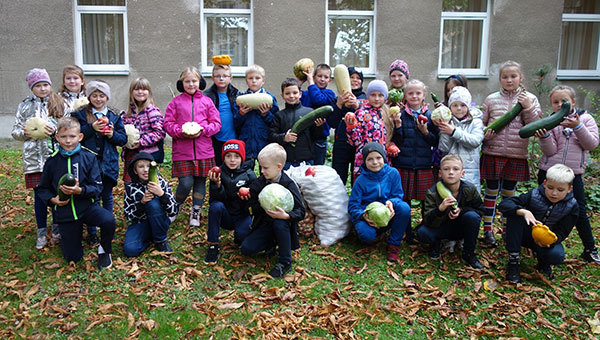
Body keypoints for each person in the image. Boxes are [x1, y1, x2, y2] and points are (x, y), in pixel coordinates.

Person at [35, 117, 116, 269]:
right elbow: (42, 189)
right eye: (63, 137)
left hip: (87, 208)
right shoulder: (51, 162)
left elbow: (97, 187)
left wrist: (80, 190)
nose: (68, 141)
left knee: (108, 220)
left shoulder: (89, 157)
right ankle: (70, 237)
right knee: (73, 257)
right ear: (57, 137)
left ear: (80, 137)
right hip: (65, 212)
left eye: (72, 136)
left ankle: (104, 249)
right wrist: (53, 200)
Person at [534, 85, 600, 264]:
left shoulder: (586, 119)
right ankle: (537, 244)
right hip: (549, 173)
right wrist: (544, 136)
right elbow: (550, 151)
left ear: (573, 102)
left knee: (579, 210)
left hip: (572, 176)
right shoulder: (550, 121)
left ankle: (590, 249)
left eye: (563, 101)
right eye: (555, 102)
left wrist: (578, 126)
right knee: (541, 208)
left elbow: (591, 144)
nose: (559, 104)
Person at [481, 61, 542, 247]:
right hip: (493, 152)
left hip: (516, 155)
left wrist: (528, 107)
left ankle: (507, 230)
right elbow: (481, 124)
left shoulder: (530, 99)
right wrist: (486, 133)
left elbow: (536, 124)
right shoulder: (491, 99)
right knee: (490, 193)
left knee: (509, 195)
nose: (509, 80)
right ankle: (488, 231)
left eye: (513, 76)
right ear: (500, 79)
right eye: (505, 77)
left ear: (521, 78)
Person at [12, 68, 65, 249]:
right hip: (34, 159)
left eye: (45, 85)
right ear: (31, 88)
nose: (43, 89)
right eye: (38, 86)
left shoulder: (58, 103)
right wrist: (25, 133)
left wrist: (56, 131)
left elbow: (67, 126)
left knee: (57, 192)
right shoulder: (24, 106)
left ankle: (57, 227)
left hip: (54, 157)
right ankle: (41, 230)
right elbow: (15, 131)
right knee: (40, 197)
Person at [499, 164, 579, 282]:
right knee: (515, 214)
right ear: (545, 183)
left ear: (569, 189)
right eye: (550, 188)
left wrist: (552, 240)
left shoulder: (572, 206)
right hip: (525, 234)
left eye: (560, 190)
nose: (554, 193)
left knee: (557, 256)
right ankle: (514, 260)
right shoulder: (533, 195)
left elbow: (563, 231)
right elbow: (504, 205)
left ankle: (544, 262)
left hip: (546, 239)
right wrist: (524, 212)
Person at [164, 67, 221, 227]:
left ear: (200, 82)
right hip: (183, 152)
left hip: (204, 151)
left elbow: (216, 123)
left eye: (194, 81)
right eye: (187, 81)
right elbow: (168, 124)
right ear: (182, 83)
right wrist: (181, 132)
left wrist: (203, 130)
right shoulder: (175, 102)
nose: (191, 84)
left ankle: (196, 211)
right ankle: (175, 206)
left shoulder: (206, 101)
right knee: (185, 183)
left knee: (200, 183)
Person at [240, 143, 305, 279]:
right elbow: (250, 205)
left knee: (279, 223)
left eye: (265, 168)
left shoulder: (288, 184)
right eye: (260, 167)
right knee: (246, 249)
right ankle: (270, 244)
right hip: (264, 224)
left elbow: (301, 211)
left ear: (279, 167)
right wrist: (257, 203)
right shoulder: (261, 181)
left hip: (282, 225)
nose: (261, 171)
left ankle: (285, 261)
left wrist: (286, 216)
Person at [75, 80, 127, 245]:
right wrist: (92, 128)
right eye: (94, 95)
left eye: (101, 96)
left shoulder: (114, 115)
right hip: (89, 164)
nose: (98, 99)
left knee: (107, 196)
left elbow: (123, 139)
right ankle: (92, 233)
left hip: (108, 164)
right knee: (92, 197)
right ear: (89, 97)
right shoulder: (81, 114)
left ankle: (107, 228)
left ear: (107, 97)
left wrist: (111, 134)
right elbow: (76, 134)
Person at [390, 79, 440, 240]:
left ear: (424, 95)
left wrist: (425, 132)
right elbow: (397, 141)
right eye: (410, 93)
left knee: (427, 200)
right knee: (405, 200)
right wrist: (397, 125)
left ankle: (425, 228)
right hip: (403, 163)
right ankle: (407, 231)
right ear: (405, 96)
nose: (414, 96)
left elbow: (436, 141)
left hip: (424, 164)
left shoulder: (430, 116)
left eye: (418, 93)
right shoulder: (401, 115)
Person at [417, 154, 485, 269]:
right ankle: (436, 243)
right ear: (440, 173)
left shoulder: (469, 189)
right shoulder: (432, 192)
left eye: (455, 169)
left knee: (472, 217)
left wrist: (462, 210)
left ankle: (469, 254)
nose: (451, 172)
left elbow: (480, 210)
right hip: (441, 227)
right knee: (422, 232)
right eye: (446, 169)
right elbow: (427, 220)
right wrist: (440, 209)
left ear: (462, 173)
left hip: (460, 227)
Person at [347, 142, 411, 262]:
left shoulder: (393, 173)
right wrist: (363, 216)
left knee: (404, 208)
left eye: (378, 158)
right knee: (366, 235)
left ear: (384, 158)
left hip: (388, 214)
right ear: (364, 162)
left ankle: (394, 244)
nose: (375, 162)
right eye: (370, 159)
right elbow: (352, 206)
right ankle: (375, 234)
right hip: (369, 217)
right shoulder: (360, 180)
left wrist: (391, 202)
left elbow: (398, 195)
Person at [205, 139, 256, 264]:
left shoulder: (250, 175)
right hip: (225, 215)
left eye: (236, 156)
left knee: (242, 237)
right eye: (228, 156)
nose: (232, 160)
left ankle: (239, 236)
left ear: (242, 158)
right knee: (215, 206)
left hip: (242, 215)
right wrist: (217, 185)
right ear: (223, 157)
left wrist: (247, 197)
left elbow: (255, 202)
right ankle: (213, 245)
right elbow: (214, 200)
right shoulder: (218, 173)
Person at [122, 152, 176, 257]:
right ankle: (150, 237)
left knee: (153, 203)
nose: (146, 170)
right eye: (141, 167)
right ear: (135, 170)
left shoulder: (161, 183)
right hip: (141, 223)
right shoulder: (130, 188)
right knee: (130, 250)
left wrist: (162, 195)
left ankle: (160, 240)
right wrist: (141, 203)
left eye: (149, 166)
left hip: (160, 219)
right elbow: (129, 216)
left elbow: (173, 211)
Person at [269, 78, 325, 169]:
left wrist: (319, 127)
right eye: (287, 93)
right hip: (286, 161)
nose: (291, 96)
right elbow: (271, 136)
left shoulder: (309, 112)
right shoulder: (279, 115)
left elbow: (317, 137)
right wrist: (284, 138)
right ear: (282, 95)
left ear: (300, 94)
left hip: (306, 160)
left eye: (295, 93)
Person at [436, 86, 484, 193]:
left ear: (468, 106)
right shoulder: (447, 120)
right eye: (455, 105)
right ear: (450, 106)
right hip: (451, 169)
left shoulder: (475, 121)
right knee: (450, 197)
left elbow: (475, 141)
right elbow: (444, 147)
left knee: (469, 197)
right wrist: (446, 130)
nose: (459, 108)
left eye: (463, 105)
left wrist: (454, 132)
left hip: (469, 169)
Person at [345, 80, 394, 177]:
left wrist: (391, 145)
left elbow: (389, 136)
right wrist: (351, 127)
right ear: (368, 96)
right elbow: (355, 141)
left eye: (380, 95)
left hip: (382, 159)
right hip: (365, 159)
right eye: (373, 95)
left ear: (385, 97)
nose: (376, 98)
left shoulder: (387, 113)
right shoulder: (361, 113)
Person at [121, 77, 166, 184]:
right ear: (131, 92)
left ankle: (152, 200)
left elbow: (160, 132)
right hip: (131, 154)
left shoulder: (152, 111)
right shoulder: (127, 113)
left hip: (147, 154)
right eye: (136, 89)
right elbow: (122, 131)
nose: (140, 92)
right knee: (130, 182)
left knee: (148, 181)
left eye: (143, 89)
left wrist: (141, 142)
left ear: (149, 92)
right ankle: (131, 199)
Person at [234, 64, 279, 166]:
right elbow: (235, 123)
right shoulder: (241, 98)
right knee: (246, 172)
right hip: (246, 142)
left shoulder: (270, 98)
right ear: (246, 80)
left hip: (264, 141)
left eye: (257, 78)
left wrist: (265, 114)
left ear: (263, 80)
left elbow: (275, 122)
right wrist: (241, 113)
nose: (254, 81)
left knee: (267, 170)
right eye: (250, 78)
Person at [329, 66, 365, 184]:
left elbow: (368, 121)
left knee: (359, 178)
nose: (355, 80)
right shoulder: (337, 99)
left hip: (359, 144)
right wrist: (339, 104)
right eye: (351, 77)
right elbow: (333, 123)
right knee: (339, 178)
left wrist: (357, 106)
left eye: (358, 78)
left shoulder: (365, 99)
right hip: (342, 143)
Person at [299, 63, 336, 165]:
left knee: (317, 169)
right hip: (305, 137)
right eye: (319, 76)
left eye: (326, 77)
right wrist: (300, 81)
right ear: (314, 77)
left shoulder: (329, 94)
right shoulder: (306, 94)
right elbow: (295, 97)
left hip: (319, 139)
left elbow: (317, 99)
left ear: (330, 80)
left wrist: (310, 81)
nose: (322, 79)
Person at [204, 62, 241, 166]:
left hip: (233, 137)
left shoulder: (237, 94)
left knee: (232, 167)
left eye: (225, 76)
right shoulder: (206, 96)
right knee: (217, 167)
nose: (221, 78)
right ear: (212, 78)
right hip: (215, 139)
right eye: (218, 76)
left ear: (231, 78)